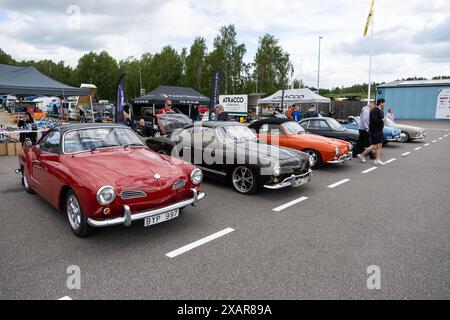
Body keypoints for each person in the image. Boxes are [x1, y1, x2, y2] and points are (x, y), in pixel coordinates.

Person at [357, 99, 386, 166]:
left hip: (380, 130)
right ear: (381, 103)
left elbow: (381, 120)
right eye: (384, 103)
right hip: (374, 131)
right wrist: (382, 120)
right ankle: (361, 155)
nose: (384, 104)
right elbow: (373, 121)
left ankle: (377, 160)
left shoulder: (381, 111)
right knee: (374, 145)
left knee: (380, 145)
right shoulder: (374, 111)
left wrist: (382, 122)